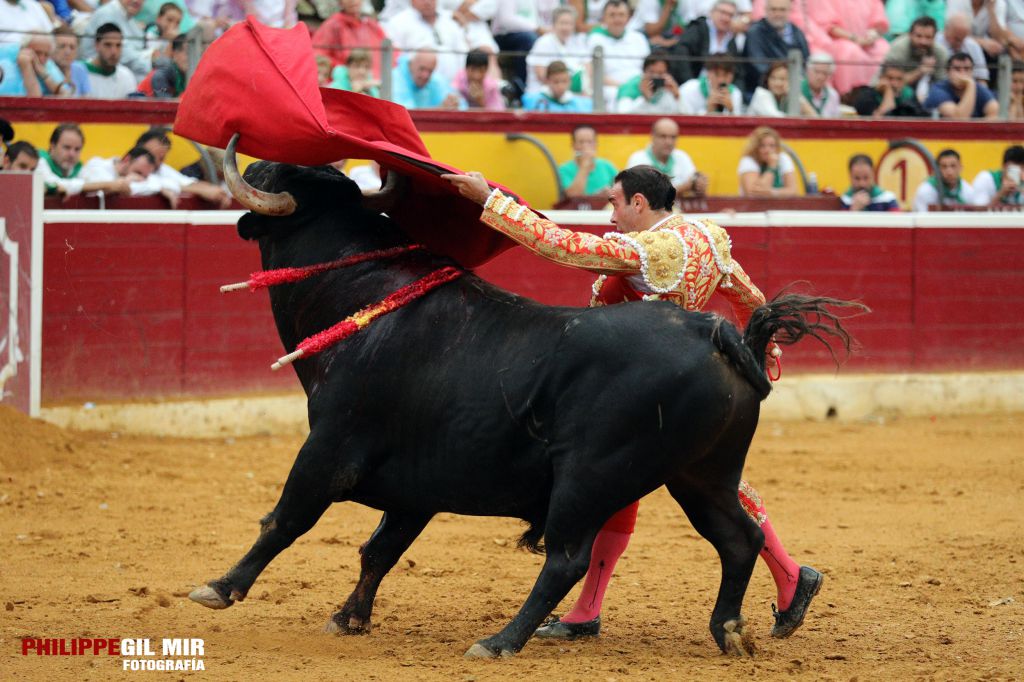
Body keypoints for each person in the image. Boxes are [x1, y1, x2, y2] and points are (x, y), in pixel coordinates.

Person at [441, 164, 820, 642]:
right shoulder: (706, 236)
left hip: (642, 381)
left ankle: (788, 575)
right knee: (675, 485)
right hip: (681, 380)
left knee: (683, 485)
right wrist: (763, 355)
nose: (611, 212)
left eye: (615, 202)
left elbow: (564, 247)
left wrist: (490, 202)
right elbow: (750, 299)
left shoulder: (648, 249)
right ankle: (590, 610)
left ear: (639, 203)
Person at [804, 0, 891, 94]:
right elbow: (827, 24)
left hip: (866, 41)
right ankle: (849, 95)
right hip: (836, 40)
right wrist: (854, 38)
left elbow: (878, 21)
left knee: (885, 50)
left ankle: (880, 93)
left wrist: (873, 34)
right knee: (850, 51)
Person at [134, 127, 232, 207]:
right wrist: (200, 190)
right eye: (150, 156)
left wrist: (212, 190)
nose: (154, 163)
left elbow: (187, 182)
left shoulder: (162, 169)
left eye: (160, 158)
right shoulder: (123, 167)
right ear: (136, 151)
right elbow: (139, 183)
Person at [586, 0, 651, 102]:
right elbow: (593, 72)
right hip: (612, 88)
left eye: (621, 15)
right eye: (612, 15)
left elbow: (649, 69)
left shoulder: (639, 38)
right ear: (604, 18)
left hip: (639, 86)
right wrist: (624, 87)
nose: (617, 19)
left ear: (629, 17)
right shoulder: (595, 38)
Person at [742, 0, 809, 96]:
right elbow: (758, 66)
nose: (778, 14)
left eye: (782, 10)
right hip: (763, 90)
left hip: (793, 88)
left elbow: (805, 62)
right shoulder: (755, 32)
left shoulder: (797, 33)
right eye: (773, 9)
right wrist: (780, 81)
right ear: (766, 10)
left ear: (789, 11)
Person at [626, 117, 706, 198]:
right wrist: (685, 187)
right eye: (663, 136)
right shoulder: (638, 159)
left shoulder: (682, 157)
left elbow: (695, 186)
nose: (669, 142)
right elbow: (645, 197)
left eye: (673, 137)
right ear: (652, 137)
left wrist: (699, 185)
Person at [669, 0, 744, 85]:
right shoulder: (698, 28)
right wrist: (689, 84)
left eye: (730, 15)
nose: (726, 18)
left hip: (722, 89)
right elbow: (681, 56)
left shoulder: (731, 40)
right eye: (723, 12)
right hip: (694, 85)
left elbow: (737, 72)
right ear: (712, 12)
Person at [79, 0, 156, 80]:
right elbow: (123, 56)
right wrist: (152, 61)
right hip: (94, 75)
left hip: (119, 74)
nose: (136, 1)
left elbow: (140, 46)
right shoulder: (107, 14)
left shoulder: (128, 16)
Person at [312, 0, 387, 78]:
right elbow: (318, 57)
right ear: (340, 2)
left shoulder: (371, 25)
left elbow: (390, 55)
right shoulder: (333, 25)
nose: (352, 1)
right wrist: (344, 71)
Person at [882, 16, 949, 101]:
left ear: (934, 38)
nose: (923, 41)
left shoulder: (940, 53)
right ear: (910, 35)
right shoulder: (898, 48)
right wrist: (920, 72)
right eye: (919, 36)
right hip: (896, 95)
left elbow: (941, 83)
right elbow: (890, 83)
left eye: (928, 37)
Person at [525, 6, 589, 94]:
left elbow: (588, 69)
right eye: (562, 23)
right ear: (554, 24)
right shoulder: (544, 42)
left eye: (570, 24)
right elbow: (541, 75)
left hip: (572, 93)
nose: (566, 27)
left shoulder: (577, 42)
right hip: (543, 92)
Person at [923, 51, 999, 118]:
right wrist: (970, 85)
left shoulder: (978, 88)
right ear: (947, 72)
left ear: (972, 72)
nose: (962, 74)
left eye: (966, 69)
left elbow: (995, 113)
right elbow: (959, 119)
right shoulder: (938, 90)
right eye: (957, 69)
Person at [78, 145, 165, 198]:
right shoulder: (96, 165)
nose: (139, 178)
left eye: (145, 177)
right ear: (126, 160)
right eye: (137, 173)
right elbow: (112, 188)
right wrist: (127, 181)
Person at [737, 125, 799, 197]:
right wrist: (771, 167)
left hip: (779, 207)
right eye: (762, 146)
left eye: (772, 146)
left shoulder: (783, 158)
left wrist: (773, 193)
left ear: (777, 148)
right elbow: (753, 194)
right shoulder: (748, 161)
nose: (767, 150)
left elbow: (793, 191)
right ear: (755, 148)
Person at [391, 49, 463, 110]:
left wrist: (454, 103)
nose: (425, 75)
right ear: (411, 64)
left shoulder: (436, 79)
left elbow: (462, 105)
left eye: (430, 71)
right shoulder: (395, 79)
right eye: (422, 69)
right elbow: (405, 114)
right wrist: (440, 111)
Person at [851, 60, 928, 116]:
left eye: (899, 79)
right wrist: (888, 92)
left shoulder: (908, 94)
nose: (894, 84)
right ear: (881, 78)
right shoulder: (867, 96)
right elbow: (879, 121)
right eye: (890, 78)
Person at [560, 124, 617, 199]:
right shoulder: (564, 170)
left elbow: (622, 192)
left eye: (590, 142)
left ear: (596, 144)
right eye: (581, 142)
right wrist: (585, 165)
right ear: (573, 145)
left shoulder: (607, 166)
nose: (586, 146)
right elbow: (573, 196)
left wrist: (610, 193)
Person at [912, 148, 979, 211]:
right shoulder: (926, 191)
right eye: (944, 167)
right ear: (936, 170)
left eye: (953, 166)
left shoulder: (968, 191)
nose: (949, 172)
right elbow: (923, 221)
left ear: (960, 168)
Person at [84, 23, 138, 99]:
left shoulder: (127, 76)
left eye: (118, 45)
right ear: (97, 45)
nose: (114, 51)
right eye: (108, 45)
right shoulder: (81, 72)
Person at [616, 54, 681, 114]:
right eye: (651, 72)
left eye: (660, 73)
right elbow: (623, 117)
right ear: (644, 72)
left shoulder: (667, 88)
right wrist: (645, 99)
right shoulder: (629, 88)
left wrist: (677, 97)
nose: (655, 76)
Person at [937, 12, 991, 85]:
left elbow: (982, 78)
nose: (960, 43)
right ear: (946, 30)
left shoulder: (972, 46)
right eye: (956, 39)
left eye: (963, 39)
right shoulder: (935, 43)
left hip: (968, 88)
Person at [679, 55, 744, 114]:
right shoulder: (689, 88)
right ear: (708, 73)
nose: (721, 80)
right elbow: (684, 118)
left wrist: (731, 110)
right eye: (717, 74)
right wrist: (708, 110)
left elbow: (737, 124)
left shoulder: (735, 94)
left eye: (726, 75)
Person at [746, 60, 815, 116]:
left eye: (782, 79)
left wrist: (795, 95)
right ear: (767, 80)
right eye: (773, 78)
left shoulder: (787, 97)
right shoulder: (761, 94)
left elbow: (815, 117)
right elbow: (777, 118)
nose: (777, 83)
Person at [522, 60, 593, 111]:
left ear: (570, 81)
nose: (560, 86)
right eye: (556, 82)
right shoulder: (532, 100)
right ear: (547, 81)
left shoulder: (584, 104)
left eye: (564, 81)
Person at [136, 33, 188, 97]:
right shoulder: (162, 74)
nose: (192, 57)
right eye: (187, 52)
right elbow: (166, 104)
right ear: (175, 54)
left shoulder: (186, 74)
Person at [51, 26, 91, 96]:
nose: (68, 52)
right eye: (62, 46)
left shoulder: (80, 69)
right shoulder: (46, 69)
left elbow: (87, 101)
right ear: (51, 49)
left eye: (72, 47)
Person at [800, 52, 842, 117]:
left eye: (825, 73)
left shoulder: (832, 95)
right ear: (807, 70)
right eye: (817, 72)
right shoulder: (797, 90)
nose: (821, 77)